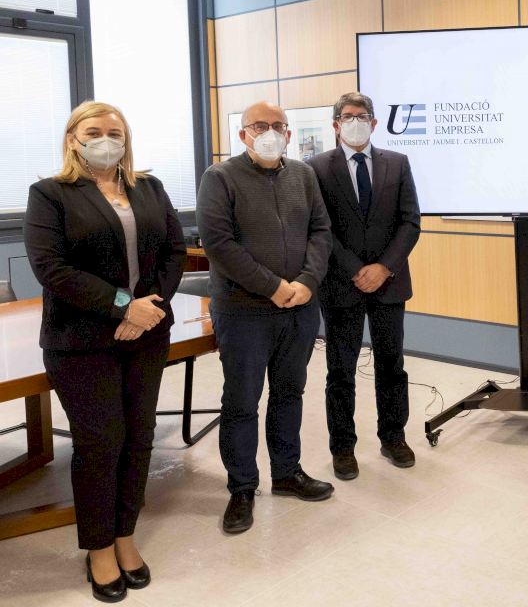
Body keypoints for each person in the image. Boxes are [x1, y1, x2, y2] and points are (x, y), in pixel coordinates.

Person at [25, 101, 185, 602]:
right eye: (93, 132)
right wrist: (123, 307)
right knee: (100, 444)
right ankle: (98, 548)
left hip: (147, 334)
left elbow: (175, 252)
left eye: (115, 132)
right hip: (81, 340)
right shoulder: (50, 193)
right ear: (73, 139)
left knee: (139, 438)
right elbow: (51, 268)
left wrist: (148, 309)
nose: (106, 140)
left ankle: (125, 536)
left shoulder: (149, 187)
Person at [197, 101, 333, 534]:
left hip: (300, 308)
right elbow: (219, 244)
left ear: (289, 134)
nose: (270, 132)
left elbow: (321, 231)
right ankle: (242, 487)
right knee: (242, 401)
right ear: (243, 135)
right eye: (259, 126)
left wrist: (307, 281)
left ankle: (287, 472)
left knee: (289, 393)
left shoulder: (304, 175)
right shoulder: (220, 177)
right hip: (244, 311)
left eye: (278, 126)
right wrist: (272, 286)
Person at [308, 92, 421, 480]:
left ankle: (393, 437)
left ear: (374, 123)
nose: (355, 122)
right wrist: (357, 269)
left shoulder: (398, 163)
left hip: (390, 282)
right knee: (341, 370)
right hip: (342, 283)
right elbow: (321, 228)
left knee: (392, 365)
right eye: (347, 116)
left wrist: (384, 268)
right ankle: (342, 447)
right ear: (336, 124)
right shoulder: (317, 168)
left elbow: (410, 222)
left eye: (363, 116)